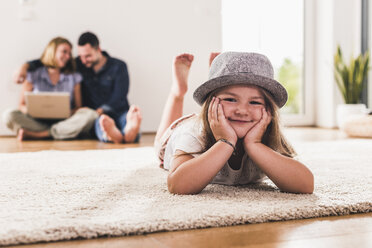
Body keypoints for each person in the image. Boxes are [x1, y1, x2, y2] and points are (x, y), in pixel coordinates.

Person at [154, 52, 314, 195]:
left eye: (254, 102)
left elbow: (306, 185)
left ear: (268, 110)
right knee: (160, 140)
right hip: (183, 130)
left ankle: (218, 78)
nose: (242, 111)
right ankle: (178, 92)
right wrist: (225, 142)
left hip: (225, 121)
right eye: (230, 99)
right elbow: (177, 186)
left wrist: (255, 145)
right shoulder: (194, 133)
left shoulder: (266, 134)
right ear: (211, 102)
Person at [13, 32, 142, 144]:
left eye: (88, 56)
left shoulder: (118, 66)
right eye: (80, 56)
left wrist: (100, 111)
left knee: (119, 119)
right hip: (97, 116)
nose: (83, 60)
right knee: (98, 123)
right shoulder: (79, 64)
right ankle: (115, 135)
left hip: (116, 110)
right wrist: (24, 67)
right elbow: (49, 61)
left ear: (99, 50)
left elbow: (119, 95)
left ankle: (128, 132)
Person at [3, 37, 97, 141]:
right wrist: (33, 112)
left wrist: (68, 112)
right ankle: (59, 132)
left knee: (90, 115)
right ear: (52, 51)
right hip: (37, 122)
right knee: (9, 115)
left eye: (69, 53)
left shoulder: (74, 77)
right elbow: (21, 105)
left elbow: (78, 107)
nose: (68, 56)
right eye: (64, 52)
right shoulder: (33, 74)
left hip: (64, 121)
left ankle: (40, 134)